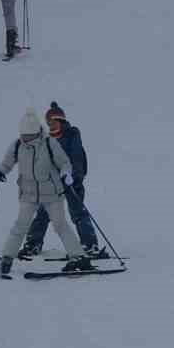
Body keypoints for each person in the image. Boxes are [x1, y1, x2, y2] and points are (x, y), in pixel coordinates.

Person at [0, 108, 94, 277]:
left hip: (52, 194)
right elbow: (7, 162)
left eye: (29, 136)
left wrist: (66, 174)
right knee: (20, 226)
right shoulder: (18, 144)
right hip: (28, 194)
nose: (26, 139)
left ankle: (79, 258)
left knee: (60, 225)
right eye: (23, 136)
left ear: (37, 133)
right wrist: (0, 171)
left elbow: (64, 163)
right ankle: (7, 258)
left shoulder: (49, 143)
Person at [19, 102, 105, 260]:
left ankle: (90, 245)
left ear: (61, 121)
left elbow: (78, 157)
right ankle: (33, 245)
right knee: (43, 214)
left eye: (54, 122)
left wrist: (75, 176)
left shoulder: (72, 135)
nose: (51, 126)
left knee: (78, 212)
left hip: (71, 180)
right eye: (48, 123)